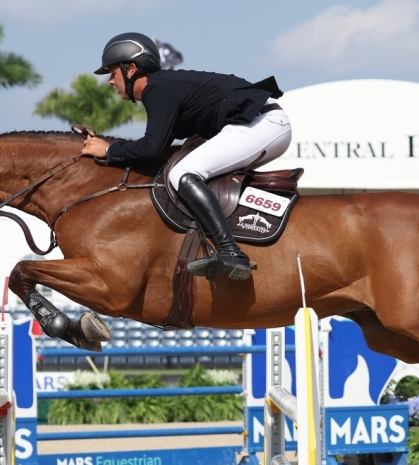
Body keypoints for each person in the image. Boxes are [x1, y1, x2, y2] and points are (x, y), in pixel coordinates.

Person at [81, 32, 292, 281]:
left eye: (112, 72)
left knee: (183, 172)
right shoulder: (163, 87)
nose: (109, 81)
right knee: (185, 168)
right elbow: (158, 147)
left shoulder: (158, 89)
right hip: (262, 124)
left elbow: (151, 148)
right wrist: (112, 151)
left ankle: (230, 252)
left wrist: (108, 149)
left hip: (262, 124)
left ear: (132, 69)